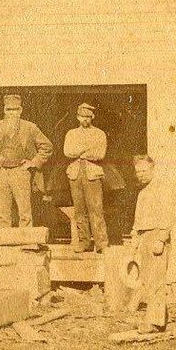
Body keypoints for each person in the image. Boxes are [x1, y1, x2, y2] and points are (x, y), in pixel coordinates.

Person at [105, 154, 173, 328]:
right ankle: (158, 318)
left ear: (152, 169)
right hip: (144, 238)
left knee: (156, 280)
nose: (140, 175)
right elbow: (138, 219)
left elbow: (167, 216)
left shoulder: (162, 189)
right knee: (147, 280)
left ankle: (154, 323)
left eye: (144, 171)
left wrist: (161, 239)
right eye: (138, 172)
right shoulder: (142, 192)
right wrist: (135, 237)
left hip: (156, 236)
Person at [0, 94, 52, 228]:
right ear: (4, 110)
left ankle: (26, 239)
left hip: (21, 171)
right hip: (1, 172)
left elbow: (47, 146)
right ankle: (5, 239)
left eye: (15, 109)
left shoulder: (30, 127)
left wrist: (33, 162)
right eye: (9, 110)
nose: (12, 113)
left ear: (21, 110)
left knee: (24, 212)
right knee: (3, 212)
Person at [61, 102, 111, 251]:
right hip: (75, 174)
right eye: (82, 116)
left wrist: (80, 152)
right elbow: (67, 152)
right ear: (77, 117)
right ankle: (84, 242)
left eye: (88, 117)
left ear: (92, 117)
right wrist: (86, 149)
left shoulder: (99, 134)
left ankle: (101, 244)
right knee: (79, 211)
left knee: (96, 210)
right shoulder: (71, 134)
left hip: (92, 174)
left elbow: (99, 154)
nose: (85, 119)